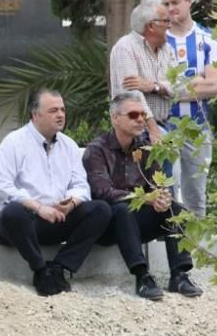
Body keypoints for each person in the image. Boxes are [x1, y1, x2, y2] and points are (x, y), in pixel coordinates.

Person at [0, 89, 112, 296]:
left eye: (62, 109)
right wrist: (38, 207)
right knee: (13, 211)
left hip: (56, 217)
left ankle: (59, 267)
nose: (61, 115)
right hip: (18, 224)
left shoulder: (69, 145)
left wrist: (71, 203)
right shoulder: (14, 142)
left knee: (101, 209)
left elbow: (82, 186)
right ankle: (40, 270)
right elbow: (2, 187)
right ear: (35, 115)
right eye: (53, 110)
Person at [83, 92, 202, 300]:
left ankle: (179, 275)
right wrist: (145, 199)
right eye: (133, 115)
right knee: (122, 208)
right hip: (108, 224)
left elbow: (156, 183)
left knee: (175, 208)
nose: (140, 119)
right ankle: (142, 276)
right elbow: (102, 191)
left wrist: (161, 198)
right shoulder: (97, 150)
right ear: (115, 118)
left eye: (142, 114)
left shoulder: (145, 147)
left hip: (139, 222)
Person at [161, 0, 217, 217]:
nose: (170, 9)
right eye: (166, 4)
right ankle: (173, 253)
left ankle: (199, 254)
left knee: (196, 197)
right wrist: (195, 83)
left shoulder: (208, 40)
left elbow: (215, 85)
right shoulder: (156, 40)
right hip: (164, 126)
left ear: (190, 0)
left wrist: (170, 88)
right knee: (168, 191)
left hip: (198, 128)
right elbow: (152, 86)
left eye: (175, 2)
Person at [108, 2, 176, 141]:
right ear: (151, 26)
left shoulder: (167, 49)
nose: (170, 25)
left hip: (166, 125)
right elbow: (132, 94)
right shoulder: (125, 47)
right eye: (166, 21)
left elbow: (178, 86)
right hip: (137, 131)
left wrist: (154, 86)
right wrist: (152, 128)